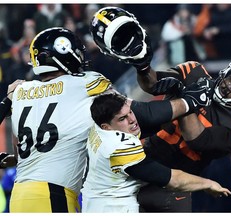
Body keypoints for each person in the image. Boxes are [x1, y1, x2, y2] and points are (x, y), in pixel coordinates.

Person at [6, 26, 212, 213]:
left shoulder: (21, 91)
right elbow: (140, 112)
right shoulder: (86, 83)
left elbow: (24, 147)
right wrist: (190, 102)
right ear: (65, 53)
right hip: (53, 194)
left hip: (19, 193)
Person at [89, 6, 231, 212]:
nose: (228, 86)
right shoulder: (195, 71)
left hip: (174, 181)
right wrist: (142, 65)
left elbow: (197, 139)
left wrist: (186, 98)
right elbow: (153, 84)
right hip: (141, 155)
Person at [81, 93, 231, 213]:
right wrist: (208, 184)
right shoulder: (119, 146)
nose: (132, 120)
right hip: (114, 208)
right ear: (107, 127)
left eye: (130, 112)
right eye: (122, 118)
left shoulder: (97, 126)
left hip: (94, 203)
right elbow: (174, 180)